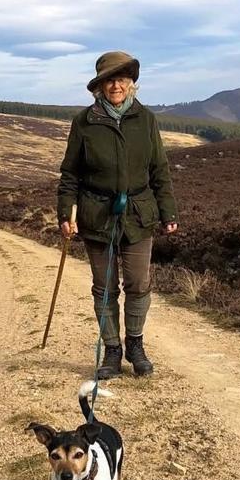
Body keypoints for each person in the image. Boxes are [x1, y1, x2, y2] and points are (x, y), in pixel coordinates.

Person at [57, 51, 178, 379]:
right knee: (104, 287)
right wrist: (65, 213)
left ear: (131, 83)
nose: (116, 85)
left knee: (138, 282)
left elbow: (159, 170)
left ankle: (135, 345)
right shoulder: (84, 122)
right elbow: (70, 173)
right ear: (100, 85)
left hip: (138, 215)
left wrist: (168, 211)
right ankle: (112, 351)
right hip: (97, 215)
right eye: (109, 79)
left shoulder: (146, 119)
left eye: (122, 78)